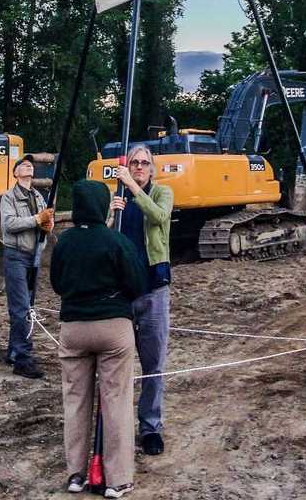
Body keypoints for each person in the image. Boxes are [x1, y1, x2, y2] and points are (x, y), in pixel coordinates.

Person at [50, 180, 148, 498]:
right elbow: (137, 283)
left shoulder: (64, 242)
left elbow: (57, 283)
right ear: (103, 204)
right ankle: (117, 479)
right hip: (112, 328)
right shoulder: (115, 241)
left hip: (74, 328)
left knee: (75, 401)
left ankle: (76, 474)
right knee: (116, 401)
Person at [110, 144, 174, 455]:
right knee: (117, 366)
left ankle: (150, 426)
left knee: (153, 363)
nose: (137, 166)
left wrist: (134, 188)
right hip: (123, 291)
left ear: (151, 168)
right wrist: (113, 214)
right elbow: (108, 238)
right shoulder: (121, 198)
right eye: (133, 163)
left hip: (153, 289)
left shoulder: (162, 193)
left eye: (143, 163)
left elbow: (159, 217)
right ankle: (118, 426)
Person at [0, 153, 54, 379]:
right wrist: (37, 220)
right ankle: (23, 359)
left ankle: (14, 350)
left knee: (26, 307)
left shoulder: (39, 197)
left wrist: (47, 225)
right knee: (21, 308)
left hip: (33, 257)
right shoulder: (9, 197)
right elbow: (10, 224)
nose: (28, 166)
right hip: (15, 257)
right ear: (15, 173)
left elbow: (45, 222)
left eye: (30, 164)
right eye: (23, 164)